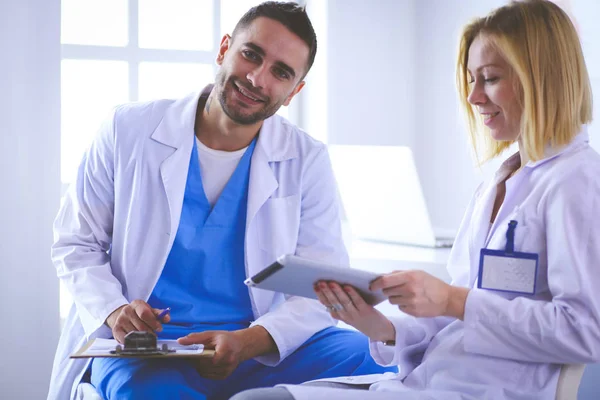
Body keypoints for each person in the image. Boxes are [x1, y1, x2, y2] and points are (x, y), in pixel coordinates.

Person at [232, 1, 600, 399]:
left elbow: (585, 331)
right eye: (471, 79)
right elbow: (459, 319)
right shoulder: (500, 179)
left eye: (490, 78)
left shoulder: (576, 182)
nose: (474, 97)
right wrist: (377, 325)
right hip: (434, 380)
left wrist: (452, 299)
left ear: (541, 78)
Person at [47, 2, 396, 399]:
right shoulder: (128, 130)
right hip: (148, 350)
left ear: (294, 91)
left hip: (258, 344)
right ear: (224, 49)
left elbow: (321, 289)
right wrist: (113, 310)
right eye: (251, 54)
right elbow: (76, 244)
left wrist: (252, 340)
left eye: (281, 73)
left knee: (389, 364)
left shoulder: (306, 158)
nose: (257, 78)